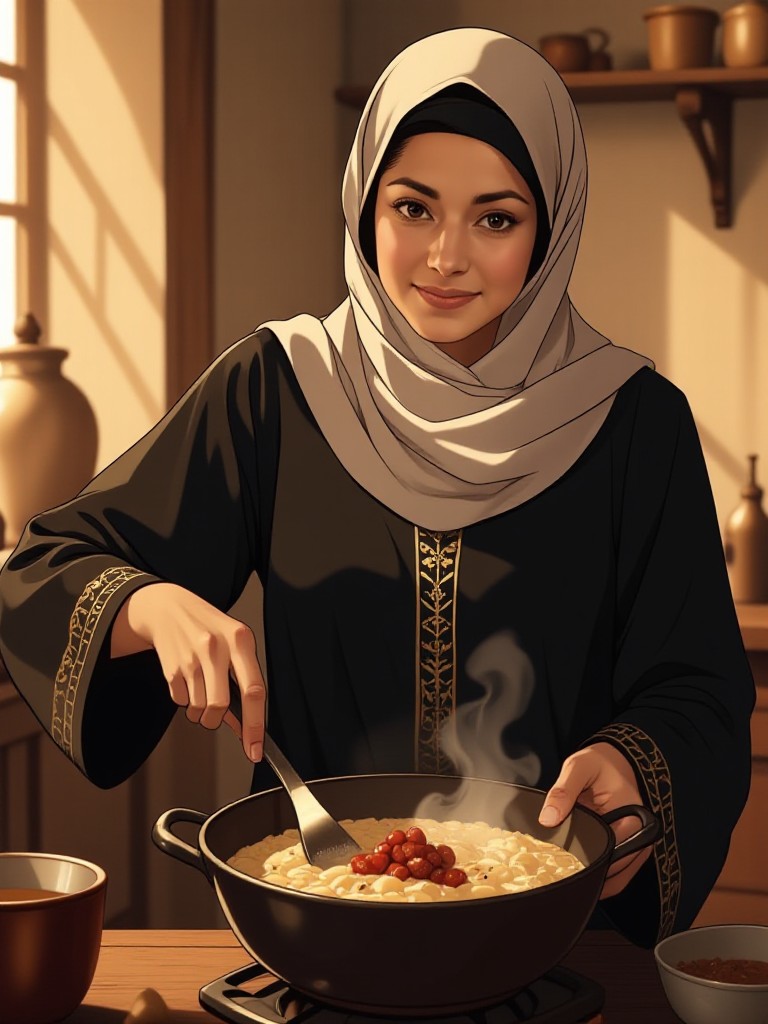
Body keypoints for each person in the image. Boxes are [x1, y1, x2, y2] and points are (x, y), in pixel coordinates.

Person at [0, 27, 754, 949]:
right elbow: (45, 566)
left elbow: (700, 692)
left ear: (551, 227)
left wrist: (631, 767)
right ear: (364, 205)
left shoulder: (637, 423)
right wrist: (149, 604)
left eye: (496, 218)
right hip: (311, 921)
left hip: (555, 933)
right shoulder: (278, 388)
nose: (445, 258)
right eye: (413, 208)